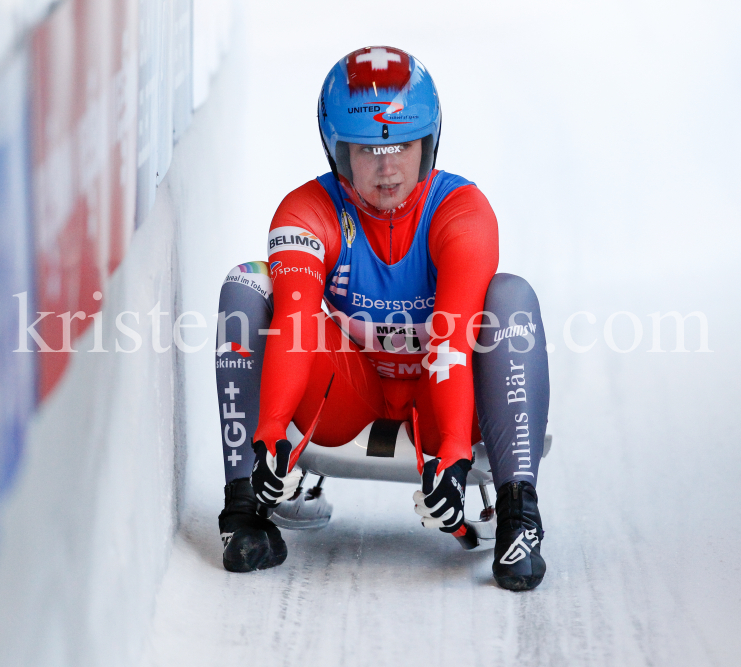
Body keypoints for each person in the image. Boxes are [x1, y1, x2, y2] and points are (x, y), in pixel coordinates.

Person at [214, 46, 550, 591]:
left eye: (402, 145)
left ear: (429, 143)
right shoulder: (305, 211)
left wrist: (456, 453)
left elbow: (450, 340)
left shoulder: (463, 211)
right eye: (368, 150)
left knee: (509, 296)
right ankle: (244, 509)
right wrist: (272, 426)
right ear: (336, 150)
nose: (388, 167)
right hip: (352, 392)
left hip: (443, 396)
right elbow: (297, 321)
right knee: (247, 284)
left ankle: (519, 514)